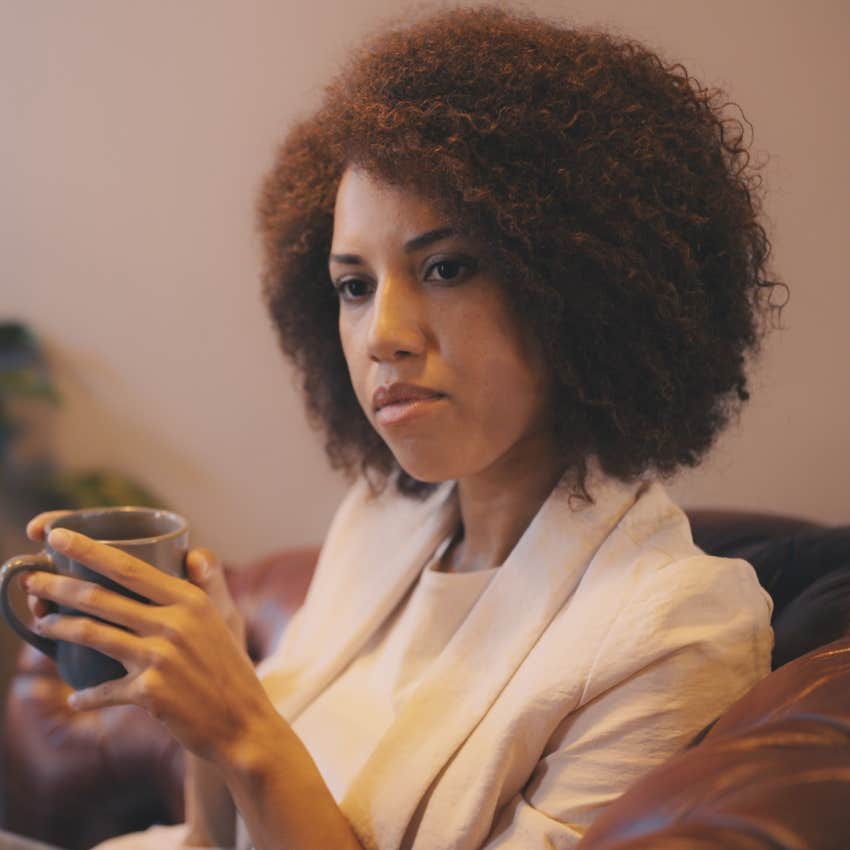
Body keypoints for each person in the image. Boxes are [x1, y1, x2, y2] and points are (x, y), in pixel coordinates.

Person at [10, 7, 783, 850]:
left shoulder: (676, 630)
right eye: (354, 286)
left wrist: (240, 723)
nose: (383, 334)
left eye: (445, 268)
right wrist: (211, 701)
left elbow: (258, 758)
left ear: (580, 287)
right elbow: (213, 841)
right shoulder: (383, 518)